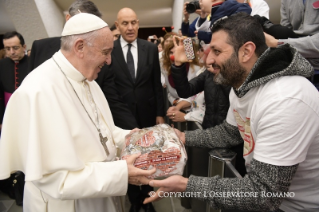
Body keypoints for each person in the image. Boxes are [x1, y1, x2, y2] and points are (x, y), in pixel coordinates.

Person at [144, 13, 319, 211]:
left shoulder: (285, 99)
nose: (209, 60)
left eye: (217, 51)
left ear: (246, 52)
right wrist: (183, 137)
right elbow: (230, 132)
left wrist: (186, 185)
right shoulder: (242, 86)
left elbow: (263, 194)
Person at [0, 13, 155, 212]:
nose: (109, 61)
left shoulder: (87, 79)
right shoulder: (37, 92)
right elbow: (57, 180)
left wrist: (133, 137)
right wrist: (121, 174)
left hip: (101, 197)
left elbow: (101, 132)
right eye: (105, 52)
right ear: (80, 47)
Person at [28, 0, 138, 130]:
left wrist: (135, 131)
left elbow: (113, 104)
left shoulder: (93, 76)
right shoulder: (36, 83)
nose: (108, 60)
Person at [104, 7, 164, 212]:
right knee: (127, 159)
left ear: (138, 24)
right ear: (117, 25)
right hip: (121, 117)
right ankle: (134, 201)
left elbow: (156, 84)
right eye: (125, 23)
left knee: (148, 157)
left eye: (133, 23)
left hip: (147, 115)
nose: (130, 27)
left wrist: (160, 114)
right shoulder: (109, 50)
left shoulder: (149, 48)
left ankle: (148, 199)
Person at [182, 0, 251, 44]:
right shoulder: (214, 13)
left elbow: (225, 35)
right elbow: (186, 34)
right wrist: (186, 18)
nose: (200, 2)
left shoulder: (226, 8)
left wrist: (207, 35)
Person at [0, 31, 29, 131]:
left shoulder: (33, 63)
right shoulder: (1, 65)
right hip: (9, 114)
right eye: (7, 49)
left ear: (24, 47)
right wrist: (1, 120)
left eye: (15, 48)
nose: (11, 52)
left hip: (30, 111)